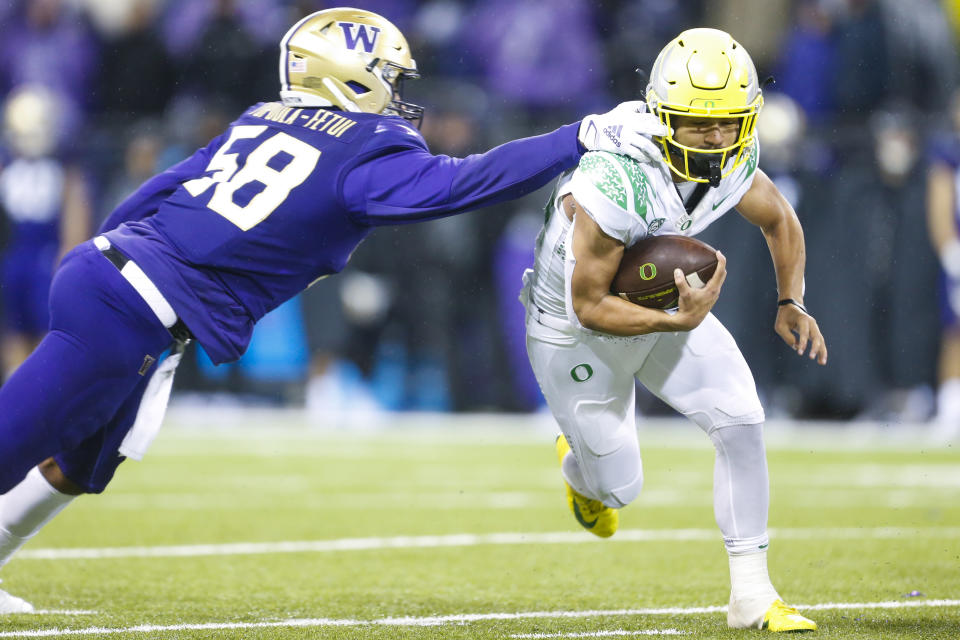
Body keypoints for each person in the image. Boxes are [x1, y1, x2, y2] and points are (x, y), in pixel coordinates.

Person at [0, 7, 666, 613]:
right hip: (133, 306)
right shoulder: (366, 149)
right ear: (348, 78)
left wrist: (105, 257)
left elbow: (156, 191)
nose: (399, 95)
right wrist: (579, 135)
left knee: (83, 466)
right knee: (13, 443)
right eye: (387, 78)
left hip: (115, 278)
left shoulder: (261, 116)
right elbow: (465, 183)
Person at [522, 28, 827, 632]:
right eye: (697, 124)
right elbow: (588, 305)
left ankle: (753, 595)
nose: (716, 138)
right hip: (570, 328)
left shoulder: (737, 153)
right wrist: (676, 318)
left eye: (728, 123)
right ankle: (578, 467)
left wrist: (790, 298)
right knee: (618, 492)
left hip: (664, 308)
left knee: (741, 420)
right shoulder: (616, 176)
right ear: (664, 116)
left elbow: (779, 218)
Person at [926, 89, 960, 437]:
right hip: (959, 253)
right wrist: (951, 250)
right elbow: (940, 206)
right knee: (956, 329)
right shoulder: (949, 155)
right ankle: (951, 405)